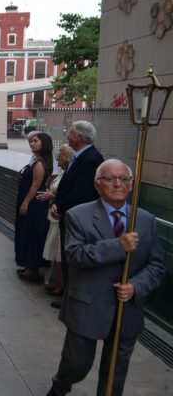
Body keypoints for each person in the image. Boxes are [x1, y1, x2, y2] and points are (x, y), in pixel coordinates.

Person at [46, 159, 164, 396]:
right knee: (77, 365)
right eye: (110, 179)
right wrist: (118, 246)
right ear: (97, 185)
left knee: (114, 376)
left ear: (131, 185)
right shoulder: (78, 215)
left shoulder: (146, 220)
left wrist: (135, 287)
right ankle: (60, 387)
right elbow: (75, 255)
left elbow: (157, 264)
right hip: (87, 306)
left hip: (126, 310)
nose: (118, 184)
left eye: (124, 179)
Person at [50, 121, 104, 308]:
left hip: (77, 219)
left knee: (73, 260)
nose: (67, 136)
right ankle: (68, 296)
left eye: (71, 133)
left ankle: (72, 300)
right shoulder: (80, 156)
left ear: (80, 137)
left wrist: (60, 207)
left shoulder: (91, 159)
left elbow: (82, 193)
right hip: (68, 214)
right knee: (67, 258)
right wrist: (58, 206)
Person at [14, 132, 53, 282]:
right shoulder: (39, 160)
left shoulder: (39, 164)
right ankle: (28, 266)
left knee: (31, 233)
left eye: (35, 141)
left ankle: (32, 268)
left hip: (34, 204)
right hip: (33, 202)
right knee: (28, 232)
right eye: (31, 141)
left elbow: (36, 185)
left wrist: (25, 202)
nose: (32, 143)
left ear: (44, 144)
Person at [37, 145, 75, 296]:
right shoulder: (63, 173)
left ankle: (63, 285)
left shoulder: (70, 175)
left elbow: (67, 196)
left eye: (59, 157)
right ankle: (59, 282)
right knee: (56, 253)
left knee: (60, 253)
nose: (57, 160)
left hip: (60, 218)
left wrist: (51, 197)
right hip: (53, 217)